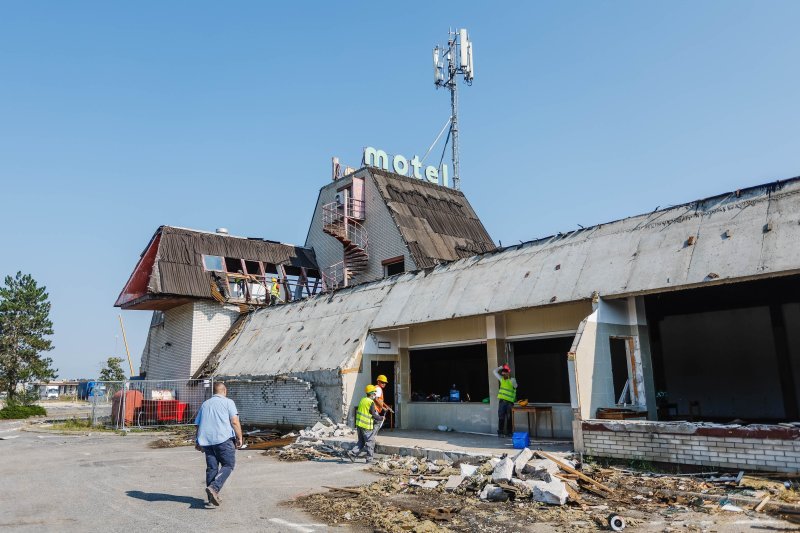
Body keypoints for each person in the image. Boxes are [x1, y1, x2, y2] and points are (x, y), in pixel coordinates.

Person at [195, 382, 243, 506]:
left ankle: (211, 497)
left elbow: (198, 424)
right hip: (223, 440)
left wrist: (197, 441)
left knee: (212, 468)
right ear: (224, 390)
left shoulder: (205, 404)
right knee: (228, 464)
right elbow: (234, 421)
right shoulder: (228, 402)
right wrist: (240, 437)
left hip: (207, 441)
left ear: (214, 392)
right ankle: (214, 488)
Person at [347, 384, 384, 463]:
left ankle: (352, 453)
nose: (375, 394)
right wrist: (381, 418)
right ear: (371, 393)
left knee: (361, 441)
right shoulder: (371, 402)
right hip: (366, 425)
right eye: (374, 393)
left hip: (359, 424)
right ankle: (369, 459)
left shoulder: (363, 400)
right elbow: (373, 415)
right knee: (370, 442)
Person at [493, 363, 518, 437]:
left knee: (509, 418)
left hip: (510, 403)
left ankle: (509, 432)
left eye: (505, 372)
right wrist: (501, 367)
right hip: (502, 402)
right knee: (501, 417)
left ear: (508, 373)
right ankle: (500, 432)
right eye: (503, 373)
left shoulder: (512, 380)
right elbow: (494, 371)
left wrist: (511, 380)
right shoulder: (501, 380)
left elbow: (516, 386)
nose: (503, 374)